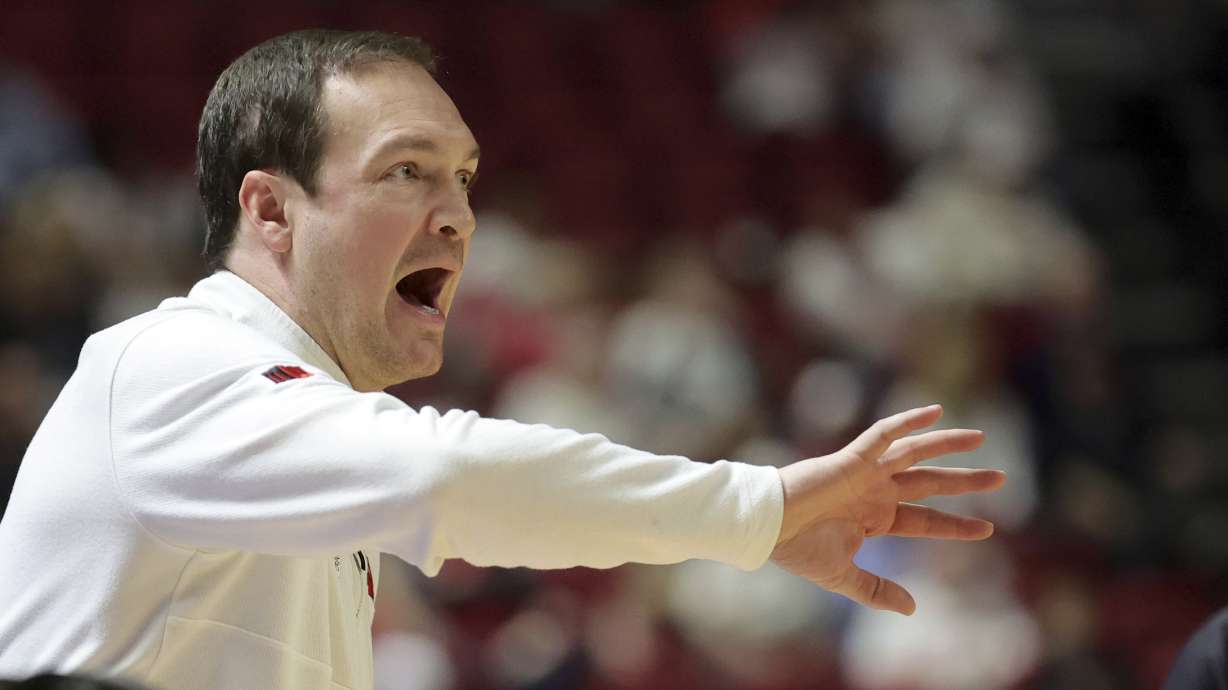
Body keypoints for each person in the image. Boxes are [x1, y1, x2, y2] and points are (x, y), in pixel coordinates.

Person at [0, 30, 1005, 689]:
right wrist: (755, 511)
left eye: (465, 180)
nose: (458, 216)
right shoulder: (175, 360)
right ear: (270, 209)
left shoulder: (294, 442)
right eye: (407, 172)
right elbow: (448, 474)